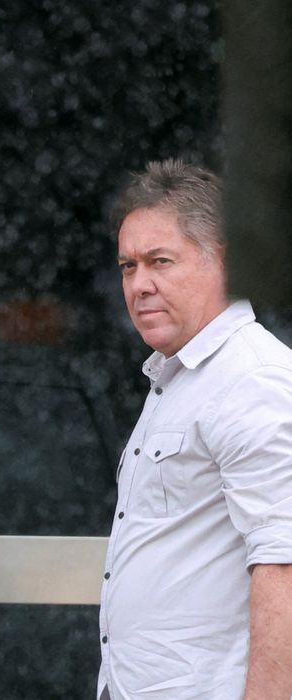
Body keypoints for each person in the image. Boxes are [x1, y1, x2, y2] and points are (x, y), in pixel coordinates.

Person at [98, 159, 292, 699]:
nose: (139, 285)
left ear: (225, 262)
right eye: (128, 266)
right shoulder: (179, 377)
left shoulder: (253, 378)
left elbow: (284, 563)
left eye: (160, 261)